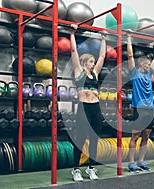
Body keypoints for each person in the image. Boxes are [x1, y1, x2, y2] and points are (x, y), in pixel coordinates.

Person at [69, 24, 107, 181]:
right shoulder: (79, 71)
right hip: (84, 107)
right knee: (80, 139)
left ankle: (91, 168)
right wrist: (72, 33)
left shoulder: (95, 74)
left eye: (94, 61)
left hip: (95, 108)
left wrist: (104, 38)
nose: (94, 63)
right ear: (85, 62)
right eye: (92, 61)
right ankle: (76, 169)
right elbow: (73, 51)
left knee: (94, 139)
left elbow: (103, 56)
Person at [126, 30, 154, 173]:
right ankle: (131, 163)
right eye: (147, 64)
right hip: (139, 108)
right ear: (141, 65)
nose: (150, 66)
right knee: (135, 136)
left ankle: (141, 161)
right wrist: (128, 38)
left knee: (146, 136)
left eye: (149, 65)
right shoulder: (135, 73)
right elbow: (129, 55)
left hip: (150, 109)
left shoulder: (149, 74)